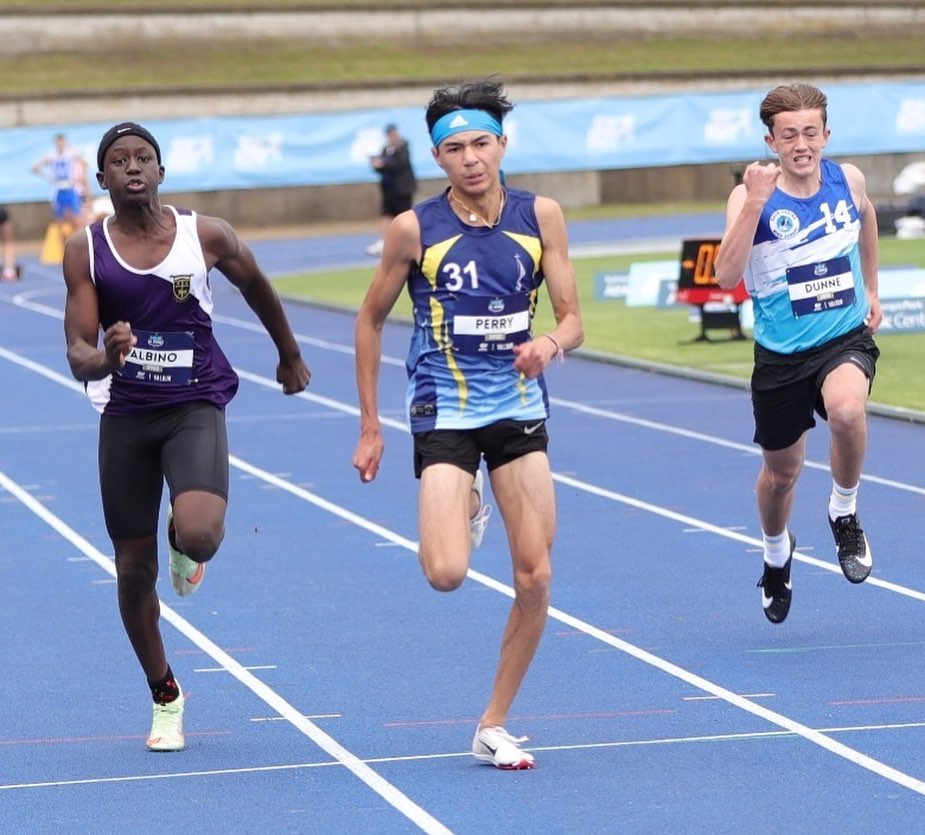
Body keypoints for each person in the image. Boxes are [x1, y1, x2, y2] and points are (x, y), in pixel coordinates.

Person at [352, 78, 583, 769]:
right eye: (454, 147)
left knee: (535, 575)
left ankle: (492, 722)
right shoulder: (414, 228)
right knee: (446, 572)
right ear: (437, 157)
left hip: (516, 408)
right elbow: (367, 321)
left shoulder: (540, 214)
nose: (471, 157)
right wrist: (370, 425)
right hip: (444, 409)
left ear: (502, 144)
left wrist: (549, 344)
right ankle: (469, 494)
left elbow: (571, 316)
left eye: (481, 142)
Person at [62, 122, 311, 751]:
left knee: (200, 534)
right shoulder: (85, 250)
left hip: (194, 403)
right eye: (119, 161)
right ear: (103, 180)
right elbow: (76, 351)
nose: (133, 167)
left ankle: (182, 542)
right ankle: (166, 695)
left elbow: (255, 284)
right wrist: (107, 359)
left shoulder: (205, 235)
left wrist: (288, 353)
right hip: (125, 414)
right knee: (131, 572)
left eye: (144, 157)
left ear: (162, 171)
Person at [714, 83, 882, 625]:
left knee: (848, 410)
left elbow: (868, 219)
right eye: (790, 135)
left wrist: (872, 288)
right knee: (781, 477)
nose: (802, 144)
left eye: (811, 132)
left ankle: (844, 511)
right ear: (772, 140)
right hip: (782, 355)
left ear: (826, 134)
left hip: (843, 338)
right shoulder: (750, 196)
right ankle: (775, 553)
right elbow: (725, 275)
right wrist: (757, 202)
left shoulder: (847, 178)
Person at [365, 123, 417, 256]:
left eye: (393, 133)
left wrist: (385, 163)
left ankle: (410, 241)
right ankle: (382, 241)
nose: (392, 136)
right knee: (386, 215)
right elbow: (382, 166)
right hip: (389, 190)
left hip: (403, 190)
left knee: (405, 216)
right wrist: (377, 164)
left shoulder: (403, 147)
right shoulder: (386, 148)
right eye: (389, 134)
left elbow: (399, 164)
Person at [32, 132, 91, 230]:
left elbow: (85, 163)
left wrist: (78, 176)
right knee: (59, 219)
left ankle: (79, 238)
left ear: (65, 142)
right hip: (58, 189)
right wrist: (48, 176)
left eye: (62, 142)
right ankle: (62, 242)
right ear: (55, 143)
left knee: (77, 215)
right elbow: (35, 168)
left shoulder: (71, 153)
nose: (60, 144)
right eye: (58, 142)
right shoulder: (51, 156)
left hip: (70, 187)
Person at [0, 205, 18, 281]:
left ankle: (9, 269)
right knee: (8, 243)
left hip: (2, 213)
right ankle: (9, 269)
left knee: (8, 242)